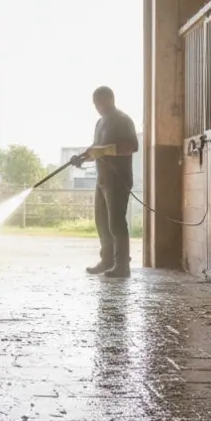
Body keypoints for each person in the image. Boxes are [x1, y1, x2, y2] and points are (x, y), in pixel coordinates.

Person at [70, 86, 139, 278]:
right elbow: (95, 148)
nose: (97, 107)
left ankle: (122, 265)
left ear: (110, 99)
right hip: (102, 180)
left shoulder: (123, 120)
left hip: (118, 179)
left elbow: (132, 146)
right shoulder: (100, 122)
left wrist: (103, 151)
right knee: (102, 221)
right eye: (95, 104)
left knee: (116, 223)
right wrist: (82, 157)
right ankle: (107, 260)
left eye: (99, 103)